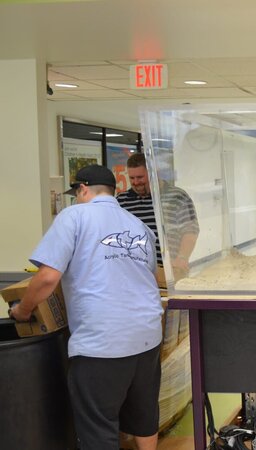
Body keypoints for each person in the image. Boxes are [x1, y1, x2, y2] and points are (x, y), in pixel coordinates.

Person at [9, 164, 163, 450]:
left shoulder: (74, 216)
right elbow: (150, 278)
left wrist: (23, 310)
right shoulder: (137, 225)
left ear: (82, 189)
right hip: (147, 336)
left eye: (77, 192)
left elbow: (47, 278)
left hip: (102, 342)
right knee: (144, 416)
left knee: (98, 427)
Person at [117, 153, 199, 279]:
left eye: (140, 177)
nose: (135, 182)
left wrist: (182, 258)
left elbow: (190, 230)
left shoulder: (177, 196)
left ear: (155, 173)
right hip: (133, 272)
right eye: (132, 178)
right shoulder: (122, 201)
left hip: (169, 270)